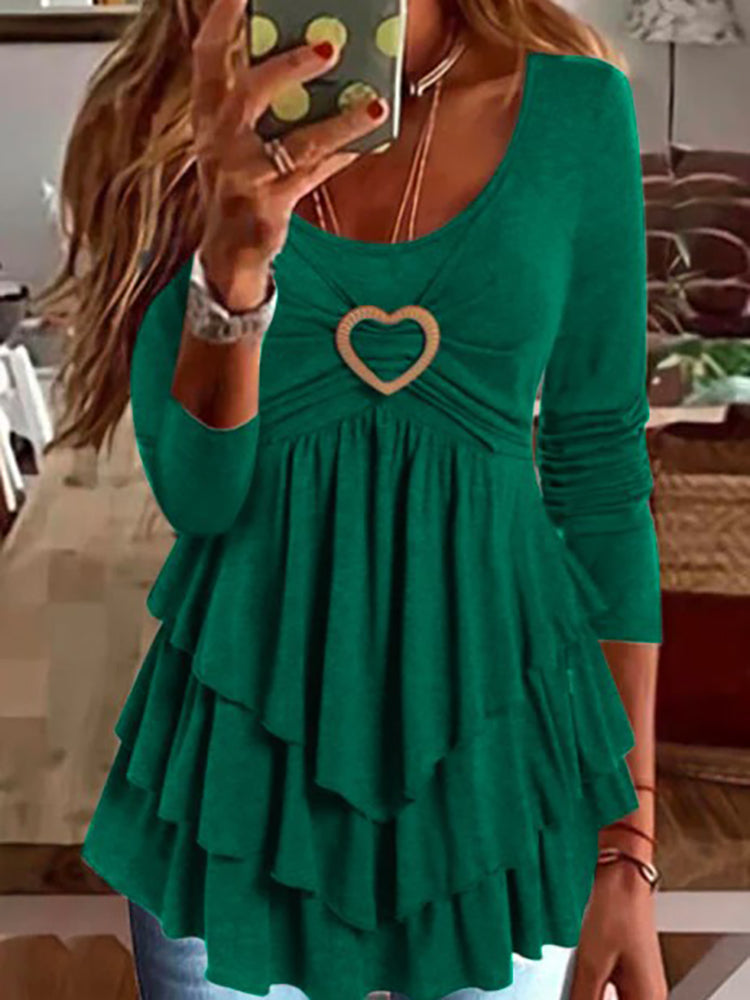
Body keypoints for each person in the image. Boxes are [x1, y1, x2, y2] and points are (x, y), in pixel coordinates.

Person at [34, 0, 667, 997]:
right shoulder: (182, 116)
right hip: (239, 788)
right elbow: (202, 499)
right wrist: (233, 269)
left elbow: (601, 479)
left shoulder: (577, 111)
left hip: (500, 771)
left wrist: (627, 840)